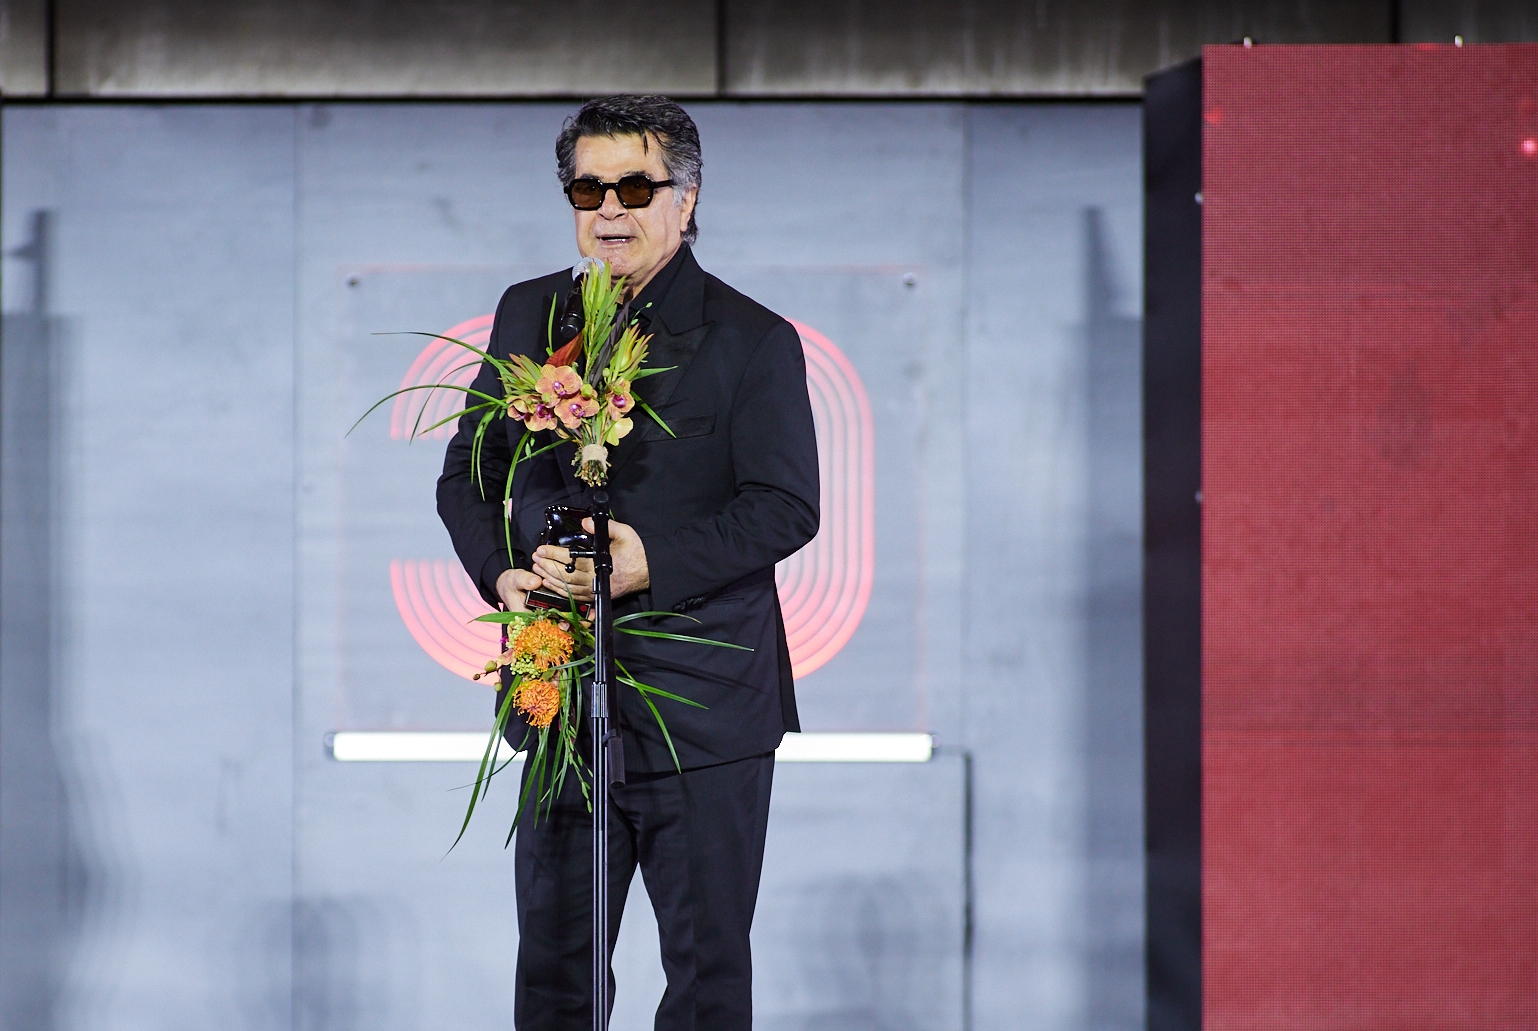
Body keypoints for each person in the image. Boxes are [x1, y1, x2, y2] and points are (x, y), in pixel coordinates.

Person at [436, 95, 819, 1029]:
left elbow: (786, 506)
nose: (609, 208)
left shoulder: (751, 338)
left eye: (635, 186)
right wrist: (502, 572)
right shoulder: (532, 312)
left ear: (686, 200)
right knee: (555, 975)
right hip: (553, 682)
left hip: (704, 703)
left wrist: (649, 562)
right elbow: (467, 475)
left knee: (704, 976)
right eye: (588, 187)